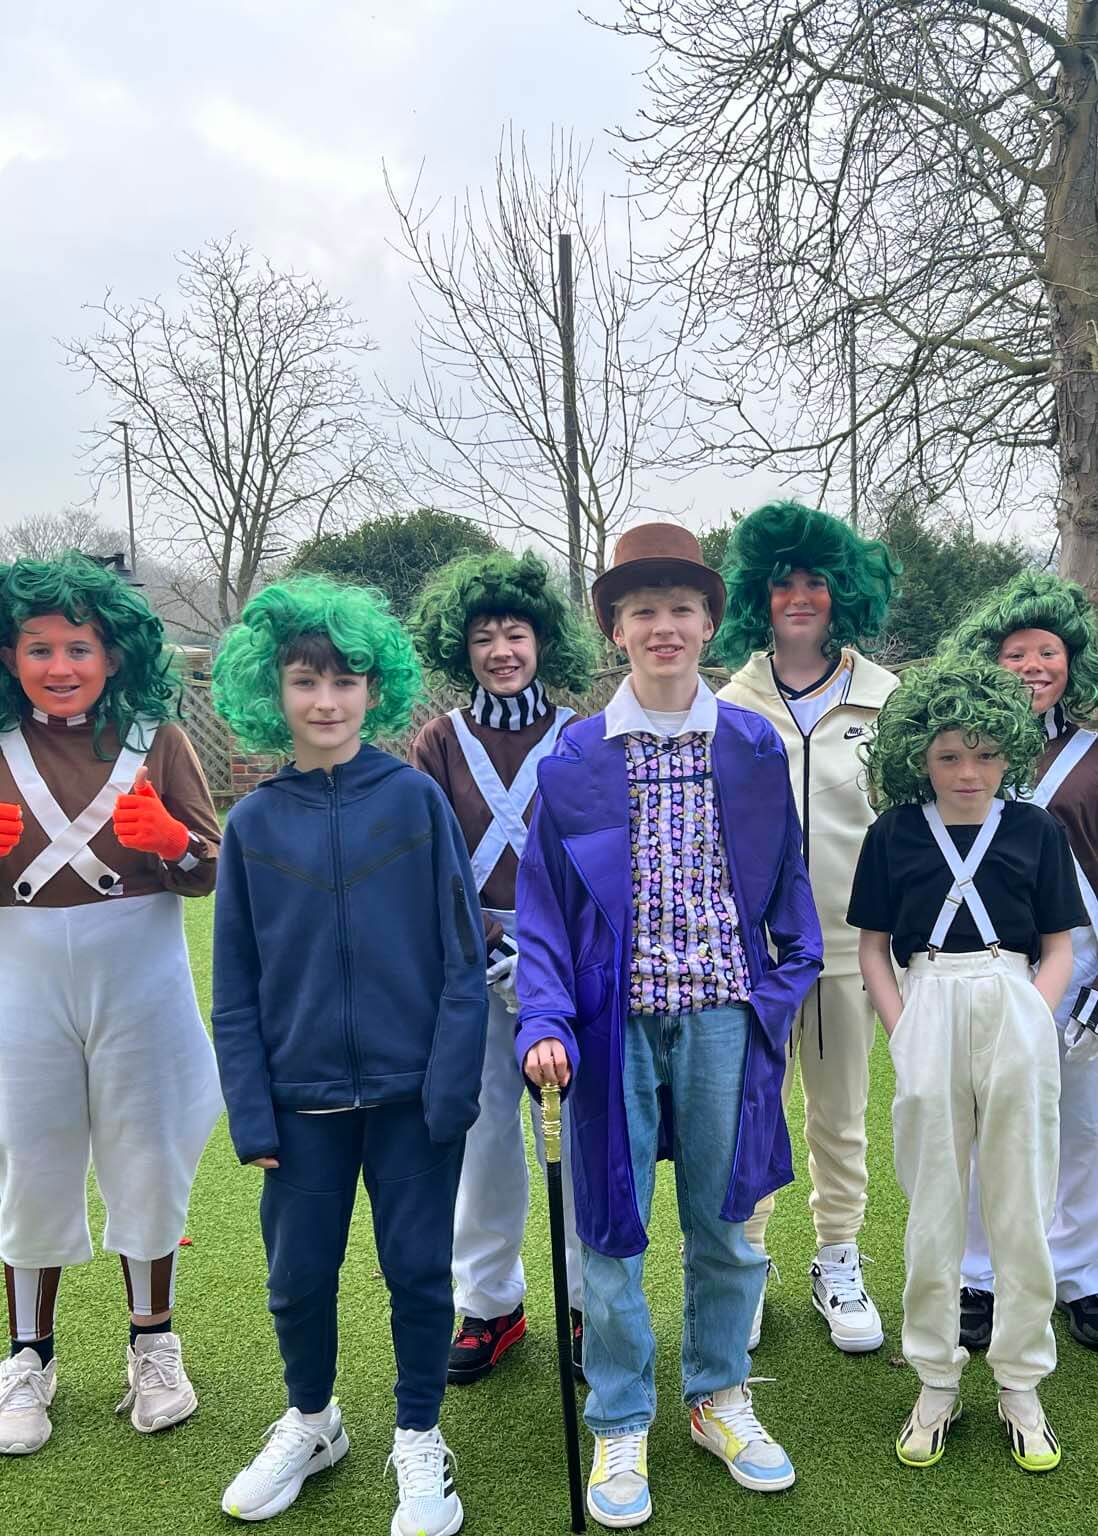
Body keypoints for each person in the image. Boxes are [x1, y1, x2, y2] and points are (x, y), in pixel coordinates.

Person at [516, 524, 822, 1528]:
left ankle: (717, 1395)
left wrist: (769, 1005)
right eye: (642, 610)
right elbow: (546, 913)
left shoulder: (750, 746)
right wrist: (544, 1020)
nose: (663, 627)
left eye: (681, 609)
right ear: (614, 627)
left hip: (725, 1020)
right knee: (607, 1235)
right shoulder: (571, 758)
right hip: (611, 1028)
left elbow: (791, 898)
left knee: (727, 1227)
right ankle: (619, 1414)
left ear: (708, 624)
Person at [210, 577, 487, 1533]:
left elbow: (462, 961)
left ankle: (419, 1436)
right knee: (296, 1279)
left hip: (414, 1101)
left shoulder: (415, 802)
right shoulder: (250, 825)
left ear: (377, 689)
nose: (325, 699)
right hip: (297, 1105)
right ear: (272, 691)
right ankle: (314, 1421)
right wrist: (253, 1111)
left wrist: (450, 1091)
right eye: (304, 680)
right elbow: (235, 987)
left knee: (417, 1271)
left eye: (346, 678)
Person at [0, 552, 222, 1456]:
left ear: (114, 654)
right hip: (21, 972)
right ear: (10, 655)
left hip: (140, 965)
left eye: (79, 647)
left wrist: (172, 841)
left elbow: (211, 868)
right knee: (30, 1156)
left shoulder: (156, 738)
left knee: (149, 1149)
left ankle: (154, 1342)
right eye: (38, 646)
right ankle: (27, 1356)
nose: (60, 666)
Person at [849, 655, 1083, 1471]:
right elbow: (873, 947)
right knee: (934, 1206)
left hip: (1013, 994)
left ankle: (1021, 1382)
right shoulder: (894, 832)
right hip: (928, 999)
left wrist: (1032, 1013)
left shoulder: (1034, 830)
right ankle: (936, 1380)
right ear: (920, 757)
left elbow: (1060, 942)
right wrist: (902, 1030)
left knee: (1022, 1202)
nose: (968, 772)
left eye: (984, 753)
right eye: (949, 755)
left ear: (1008, 753)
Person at [715, 500, 900, 1353]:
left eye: (815, 581)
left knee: (840, 1116)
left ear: (842, 593)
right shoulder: (729, 701)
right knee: (752, 1114)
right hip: (751, 958)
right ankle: (747, 1264)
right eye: (782, 581)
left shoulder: (885, 698)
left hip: (848, 949)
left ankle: (837, 1257)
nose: (798, 596)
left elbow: (904, 828)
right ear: (759, 593)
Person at [408, 551, 596, 1386]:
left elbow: (605, 853)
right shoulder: (438, 741)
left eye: (514, 632)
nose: (501, 650)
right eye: (483, 637)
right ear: (463, 649)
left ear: (541, 639)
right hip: (470, 957)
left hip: (570, 961)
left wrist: (555, 947)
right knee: (483, 1140)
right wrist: (482, 938)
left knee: (582, 1141)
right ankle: (491, 1304)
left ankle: (591, 1301)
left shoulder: (582, 735)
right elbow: (426, 852)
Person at [941, 571, 1098, 1354]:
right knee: (983, 1122)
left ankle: (1082, 1274)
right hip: (991, 960)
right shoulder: (960, 756)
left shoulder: (1095, 756)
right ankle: (977, 1276)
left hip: (1086, 967)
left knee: (1083, 1127)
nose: (1034, 664)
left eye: (1048, 650)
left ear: (1074, 661)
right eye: (1015, 653)